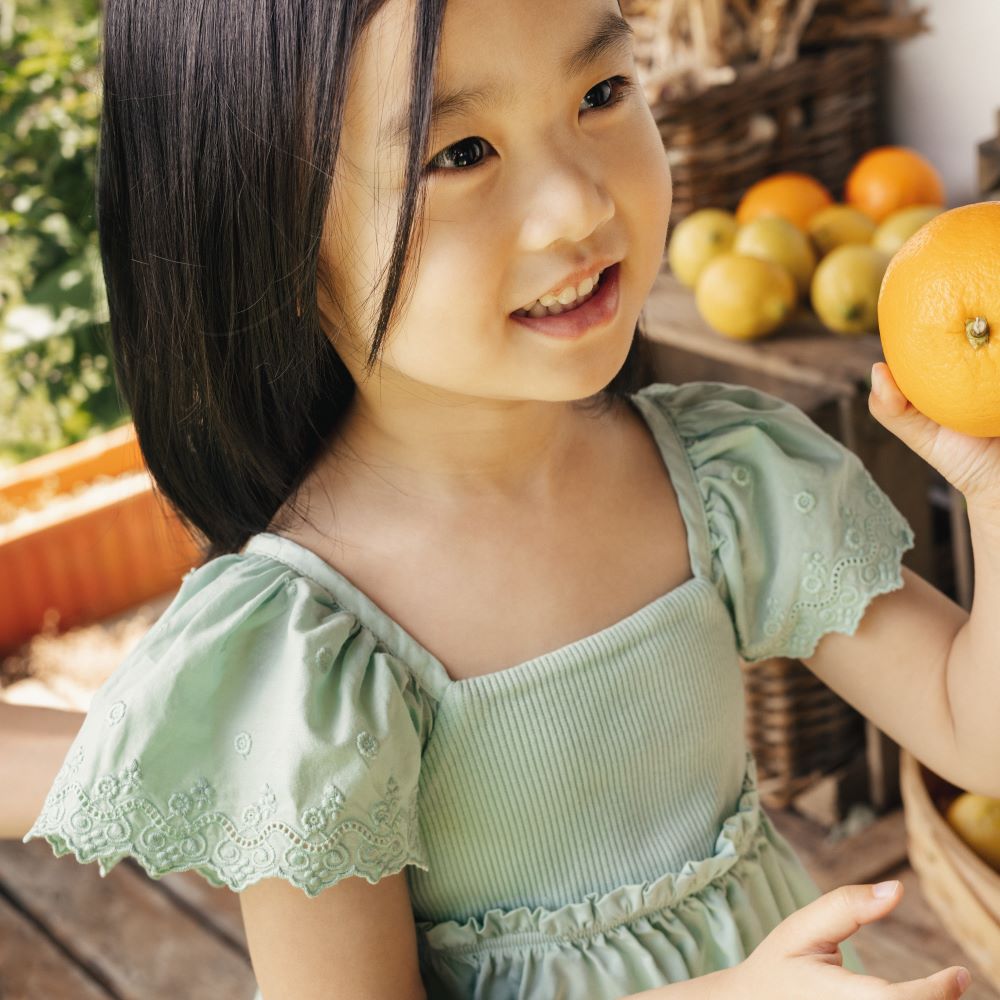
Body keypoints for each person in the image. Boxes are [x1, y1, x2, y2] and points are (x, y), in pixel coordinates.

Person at [10, 0, 999, 997]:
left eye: (601, 93)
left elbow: (978, 731)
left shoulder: (720, 473)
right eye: (462, 152)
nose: (579, 203)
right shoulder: (307, 648)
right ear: (267, 234)